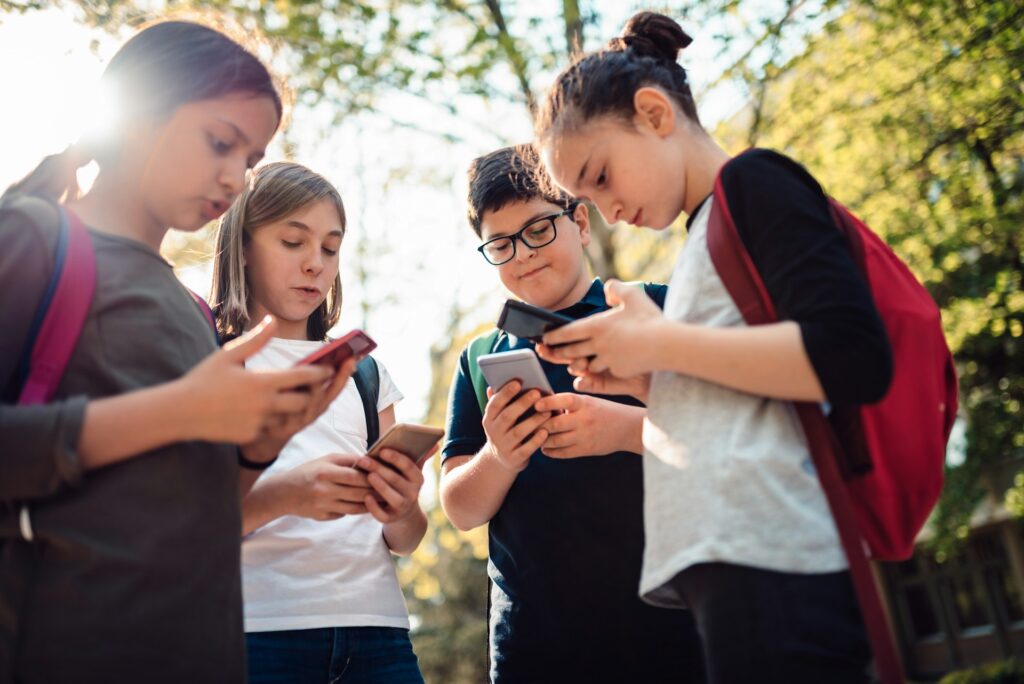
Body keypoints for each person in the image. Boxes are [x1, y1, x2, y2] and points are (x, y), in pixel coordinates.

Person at [532, 11, 894, 684]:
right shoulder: (703, 234)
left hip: (777, 561)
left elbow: (851, 354)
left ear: (654, 114)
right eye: (585, 196)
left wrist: (658, 341)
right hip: (738, 566)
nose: (606, 211)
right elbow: (746, 392)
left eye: (601, 175)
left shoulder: (755, 183)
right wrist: (644, 375)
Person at [0, 21, 352, 683]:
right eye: (219, 141)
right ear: (138, 114)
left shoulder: (193, 311)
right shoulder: (34, 238)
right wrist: (179, 410)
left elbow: (198, 506)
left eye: (249, 160)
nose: (234, 177)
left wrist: (258, 447)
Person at [439, 144, 705, 683]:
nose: (523, 254)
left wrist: (625, 432)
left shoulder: (656, 309)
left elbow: (733, 437)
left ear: (580, 223)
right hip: (533, 646)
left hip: (672, 625)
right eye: (501, 244)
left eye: (538, 229)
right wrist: (500, 455)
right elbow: (460, 509)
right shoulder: (478, 358)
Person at [210, 161, 427, 684]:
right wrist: (286, 494)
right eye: (293, 242)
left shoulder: (365, 373)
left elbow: (407, 537)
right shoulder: (211, 364)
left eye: (330, 249)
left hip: (380, 634)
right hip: (256, 634)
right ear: (241, 246)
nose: (315, 264)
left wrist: (400, 504)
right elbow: (187, 525)